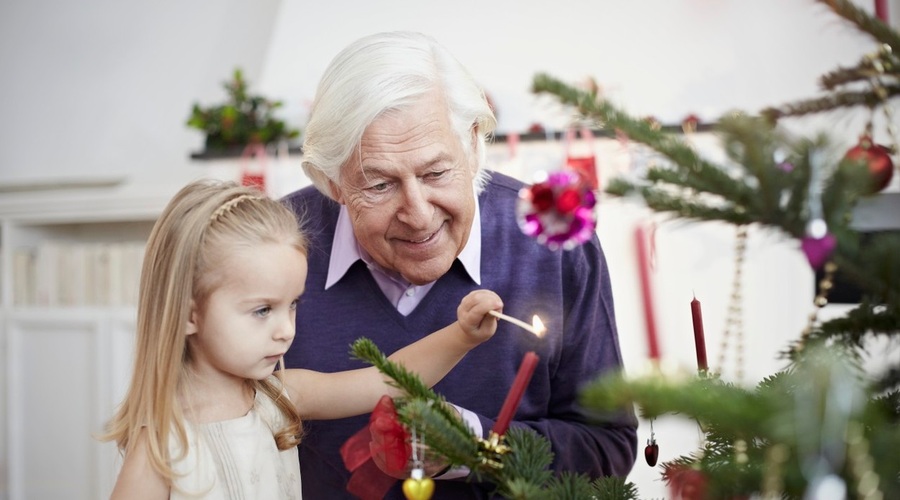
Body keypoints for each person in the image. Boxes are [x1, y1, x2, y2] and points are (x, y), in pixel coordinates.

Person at [282, 30, 638, 499]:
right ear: (332, 182)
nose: (419, 213)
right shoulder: (273, 247)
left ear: (472, 145)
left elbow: (607, 448)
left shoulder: (553, 242)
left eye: (435, 173)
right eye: (380, 185)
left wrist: (472, 446)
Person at [99, 179, 502, 499]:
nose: (286, 329)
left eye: (292, 305)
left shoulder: (277, 398)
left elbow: (387, 378)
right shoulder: (161, 445)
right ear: (190, 313)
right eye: (262, 310)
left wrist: (462, 335)